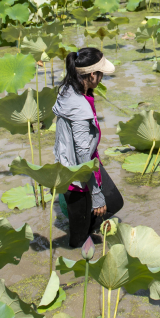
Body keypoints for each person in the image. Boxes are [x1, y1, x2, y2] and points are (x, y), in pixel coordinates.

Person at [53, 48, 123, 247]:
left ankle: (82, 224)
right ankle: (80, 236)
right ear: (92, 75)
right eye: (101, 74)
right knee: (77, 241)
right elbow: (82, 152)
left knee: (115, 202)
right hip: (77, 173)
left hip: (88, 160)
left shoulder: (70, 89)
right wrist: (96, 194)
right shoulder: (80, 106)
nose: (102, 78)